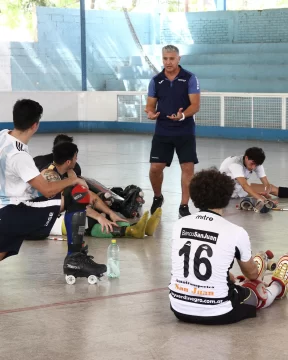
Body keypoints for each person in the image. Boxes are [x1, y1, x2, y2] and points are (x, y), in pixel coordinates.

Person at [0, 99, 107, 281]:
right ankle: (74, 259)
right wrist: (72, 180)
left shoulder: (3, 135)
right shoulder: (19, 156)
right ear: (35, 125)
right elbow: (48, 191)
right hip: (15, 210)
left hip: (5, 209)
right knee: (75, 194)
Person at [169, 168, 288, 325]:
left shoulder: (180, 224)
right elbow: (252, 274)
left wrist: (229, 277)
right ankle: (278, 286)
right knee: (256, 293)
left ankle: (239, 280)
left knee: (233, 280)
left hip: (179, 309)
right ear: (226, 197)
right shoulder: (236, 232)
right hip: (220, 312)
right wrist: (253, 278)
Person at [46, 142, 162, 239]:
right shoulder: (50, 176)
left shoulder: (70, 173)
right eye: (75, 157)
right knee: (89, 221)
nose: (77, 160)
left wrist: (110, 213)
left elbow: (88, 195)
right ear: (68, 161)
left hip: (67, 210)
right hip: (52, 218)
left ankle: (143, 228)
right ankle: (131, 231)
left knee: (106, 213)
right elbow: (73, 204)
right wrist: (99, 217)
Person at [145, 44, 200, 218]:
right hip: (163, 131)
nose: (168, 62)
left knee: (187, 168)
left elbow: (195, 105)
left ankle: (184, 205)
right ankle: (157, 197)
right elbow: (150, 105)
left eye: (171, 58)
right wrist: (151, 113)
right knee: (155, 168)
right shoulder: (156, 80)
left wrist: (182, 116)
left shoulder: (190, 78)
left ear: (178, 59)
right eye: (165, 59)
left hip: (185, 131)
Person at [219, 147, 288, 209]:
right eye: (252, 164)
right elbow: (244, 186)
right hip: (225, 191)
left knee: (272, 188)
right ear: (246, 157)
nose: (253, 167)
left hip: (239, 188)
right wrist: (263, 200)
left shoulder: (256, 162)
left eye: (256, 165)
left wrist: (267, 192)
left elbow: (266, 184)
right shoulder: (235, 164)